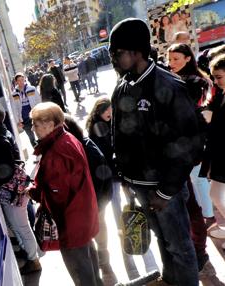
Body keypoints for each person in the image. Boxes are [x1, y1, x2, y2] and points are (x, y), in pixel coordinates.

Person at [109, 18, 201, 285]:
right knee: (162, 241)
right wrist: (125, 178)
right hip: (139, 187)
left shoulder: (170, 87)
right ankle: (170, 280)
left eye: (117, 53)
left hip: (164, 191)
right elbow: (119, 138)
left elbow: (189, 146)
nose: (113, 60)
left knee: (180, 247)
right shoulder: (121, 88)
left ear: (136, 52)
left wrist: (165, 192)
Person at [27, 102, 101, 286]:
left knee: (82, 275)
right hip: (82, 218)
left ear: (50, 125)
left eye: (36, 124)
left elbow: (57, 193)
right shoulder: (67, 138)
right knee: (90, 269)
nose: (33, 128)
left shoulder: (56, 151)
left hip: (71, 223)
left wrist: (34, 193)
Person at [86, 97, 159, 280]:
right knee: (121, 218)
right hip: (111, 179)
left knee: (132, 212)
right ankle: (132, 264)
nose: (110, 113)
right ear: (99, 111)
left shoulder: (113, 124)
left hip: (122, 176)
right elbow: (106, 155)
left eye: (111, 110)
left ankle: (145, 258)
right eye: (107, 111)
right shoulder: (96, 129)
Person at [167, 43, 216, 274]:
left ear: (188, 58)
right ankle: (198, 248)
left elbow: (188, 116)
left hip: (193, 153)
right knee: (192, 205)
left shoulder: (195, 83)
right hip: (181, 153)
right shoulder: (173, 80)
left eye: (176, 58)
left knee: (197, 204)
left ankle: (200, 249)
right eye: (170, 59)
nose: (171, 63)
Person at [0, 101, 41, 274]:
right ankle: (29, 254)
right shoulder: (3, 134)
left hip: (13, 192)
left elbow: (5, 172)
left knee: (21, 227)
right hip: (17, 190)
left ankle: (34, 260)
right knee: (19, 225)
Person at [64, 115, 115, 284]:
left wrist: (96, 204)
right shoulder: (79, 145)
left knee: (99, 228)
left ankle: (104, 260)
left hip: (97, 199)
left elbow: (102, 176)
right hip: (93, 199)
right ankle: (102, 259)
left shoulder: (86, 147)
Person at [201, 54, 225, 248]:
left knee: (215, 193)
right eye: (214, 77)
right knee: (215, 194)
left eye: (219, 76)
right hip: (219, 151)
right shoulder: (220, 93)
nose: (215, 81)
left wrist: (213, 117)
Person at [11, 72, 42, 147]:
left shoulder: (32, 89)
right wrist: (18, 121)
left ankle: (45, 152)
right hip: (24, 119)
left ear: (24, 79)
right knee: (31, 138)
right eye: (19, 80)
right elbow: (14, 108)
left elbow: (39, 101)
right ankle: (38, 154)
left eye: (22, 79)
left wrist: (41, 113)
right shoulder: (14, 94)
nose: (21, 82)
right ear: (16, 82)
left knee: (40, 134)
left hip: (34, 116)